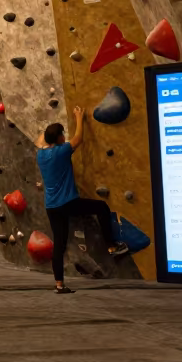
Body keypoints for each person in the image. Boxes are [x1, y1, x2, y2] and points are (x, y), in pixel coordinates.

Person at [36, 106, 128, 294]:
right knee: (101, 207)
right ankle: (111, 246)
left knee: (59, 245)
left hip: (52, 206)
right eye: (62, 134)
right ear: (59, 138)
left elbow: (41, 140)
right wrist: (79, 118)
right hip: (68, 203)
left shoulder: (41, 155)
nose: (65, 136)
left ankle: (59, 284)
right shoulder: (61, 151)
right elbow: (78, 139)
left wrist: (48, 134)